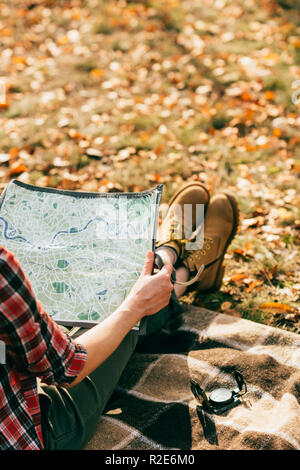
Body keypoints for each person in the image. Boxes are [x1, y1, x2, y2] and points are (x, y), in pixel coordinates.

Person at [0, 182, 239, 450]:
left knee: (87, 299)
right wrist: (135, 307)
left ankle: (172, 254)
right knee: (119, 307)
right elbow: (67, 366)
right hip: (35, 430)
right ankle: (183, 267)